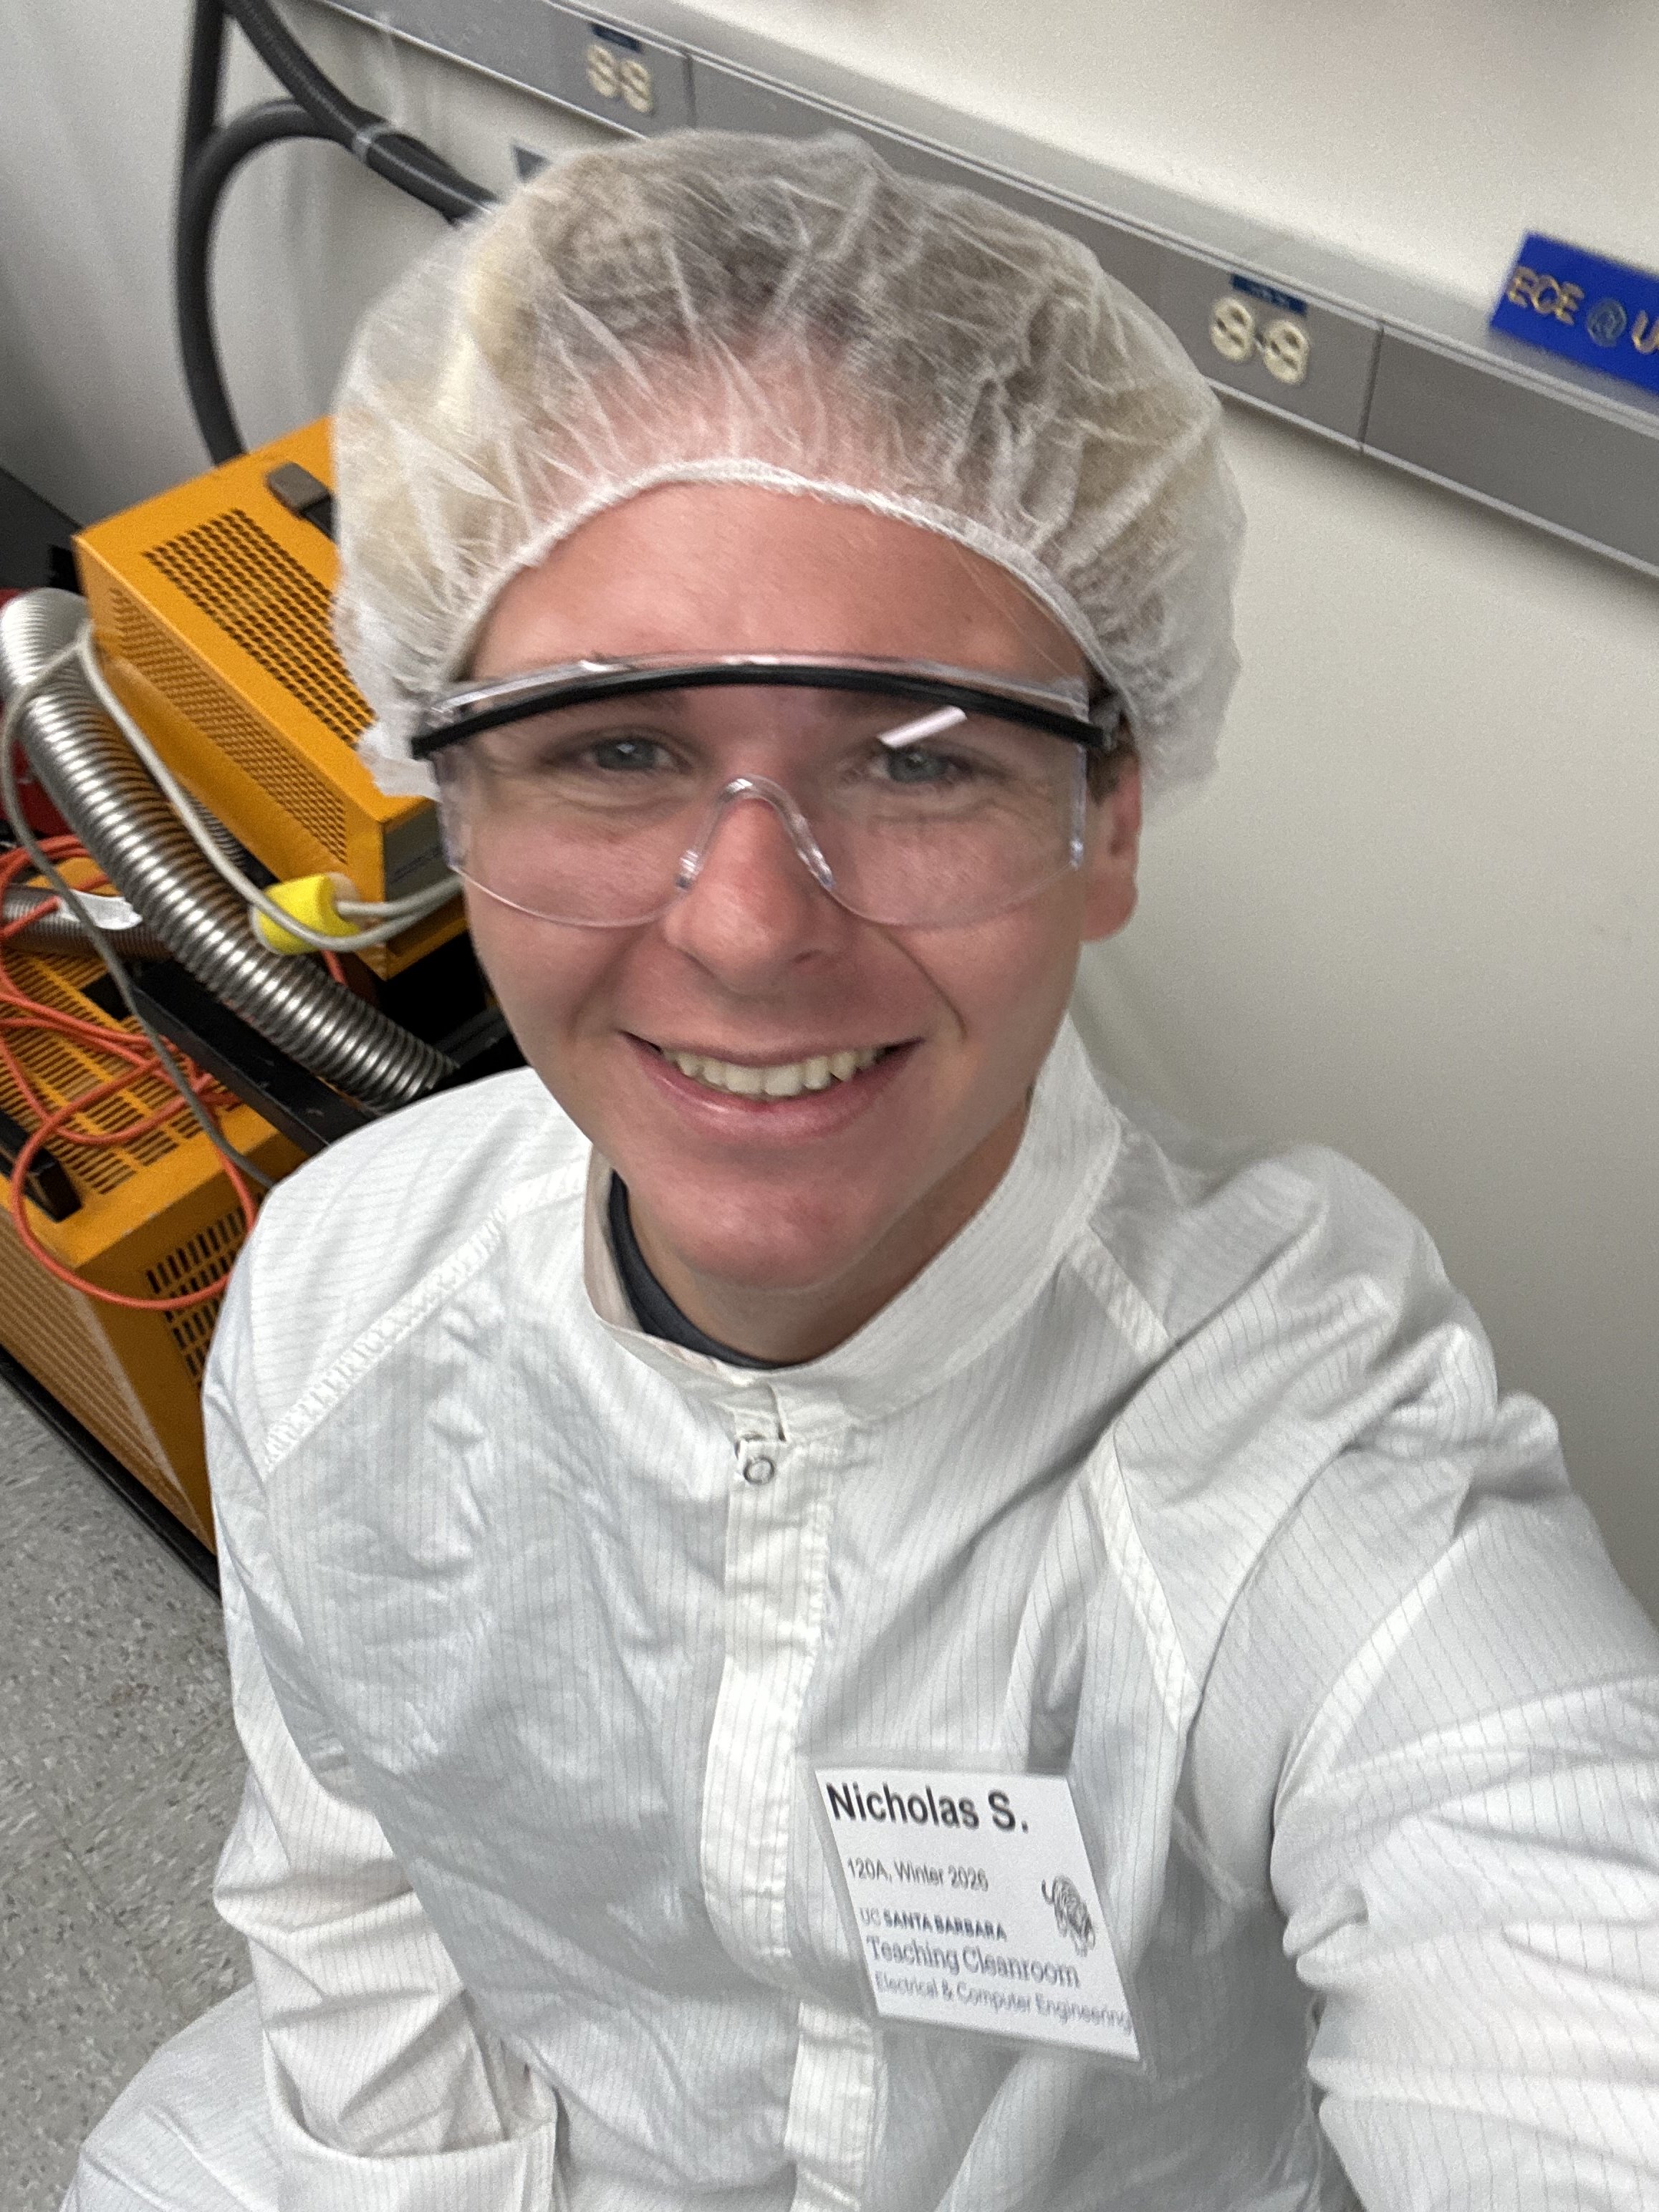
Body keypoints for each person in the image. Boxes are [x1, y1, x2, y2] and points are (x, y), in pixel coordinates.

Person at [67, 130, 1659, 2212]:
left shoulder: (1310, 1471)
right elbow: (356, 1893)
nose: (744, 924)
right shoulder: (342, 1301)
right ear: (450, 796)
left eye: (918, 760)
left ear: (1106, 827)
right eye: (613, 746)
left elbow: (1550, 1940)